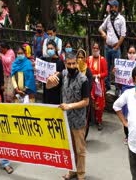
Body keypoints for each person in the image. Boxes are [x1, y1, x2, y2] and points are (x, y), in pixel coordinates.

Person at [46, 52, 89, 180]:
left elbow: (86, 101)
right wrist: (49, 81)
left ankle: (81, 174)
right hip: (65, 119)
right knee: (70, 148)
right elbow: (49, 86)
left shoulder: (83, 79)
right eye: (68, 64)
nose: (71, 66)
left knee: (80, 150)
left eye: (73, 63)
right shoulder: (63, 74)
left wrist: (69, 106)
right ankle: (71, 171)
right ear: (65, 64)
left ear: (77, 63)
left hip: (78, 120)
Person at [99, 0, 126, 91]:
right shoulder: (108, 18)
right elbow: (100, 28)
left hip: (115, 47)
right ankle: (107, 86)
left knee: (116, 68)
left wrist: (117, 46)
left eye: (112, 7)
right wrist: (103, 33)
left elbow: (123, 35)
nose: (110, 8)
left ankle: (118, 88)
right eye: (110, 7)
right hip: (107, 47)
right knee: (107, 67)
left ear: (116, 7)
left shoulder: (121, 19)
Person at [87, 42, 108, 130]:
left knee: (99, 103)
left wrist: (98, 76)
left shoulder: (102, 59)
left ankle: (99, 120)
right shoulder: (88, 59)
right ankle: (91, 120)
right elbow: (86, 70)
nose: (95, 49)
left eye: (97, 48)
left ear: (99, 49)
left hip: (99, 84)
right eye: (94, 48)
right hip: (90, 83)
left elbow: (106, 72)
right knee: (90, 101)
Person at [121, 45, 136, 144]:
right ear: (127, 54)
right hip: (125, 93)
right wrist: (116, 73)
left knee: (134, 115)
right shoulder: (122, 65)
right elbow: (119, 83)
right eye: (130, 52)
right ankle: (127, 136)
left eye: (133, 53)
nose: (131, 55)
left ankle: (134, 135)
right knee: (125, 115)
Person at [41, 40, 65, 104]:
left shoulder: (60, 62)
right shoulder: (46, 60)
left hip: (56, 91)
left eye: (51, 48)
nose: (49, 50)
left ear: (55, 49)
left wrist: (57, 75)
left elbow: (62, 76)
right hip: (46, 90)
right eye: (48, 48)